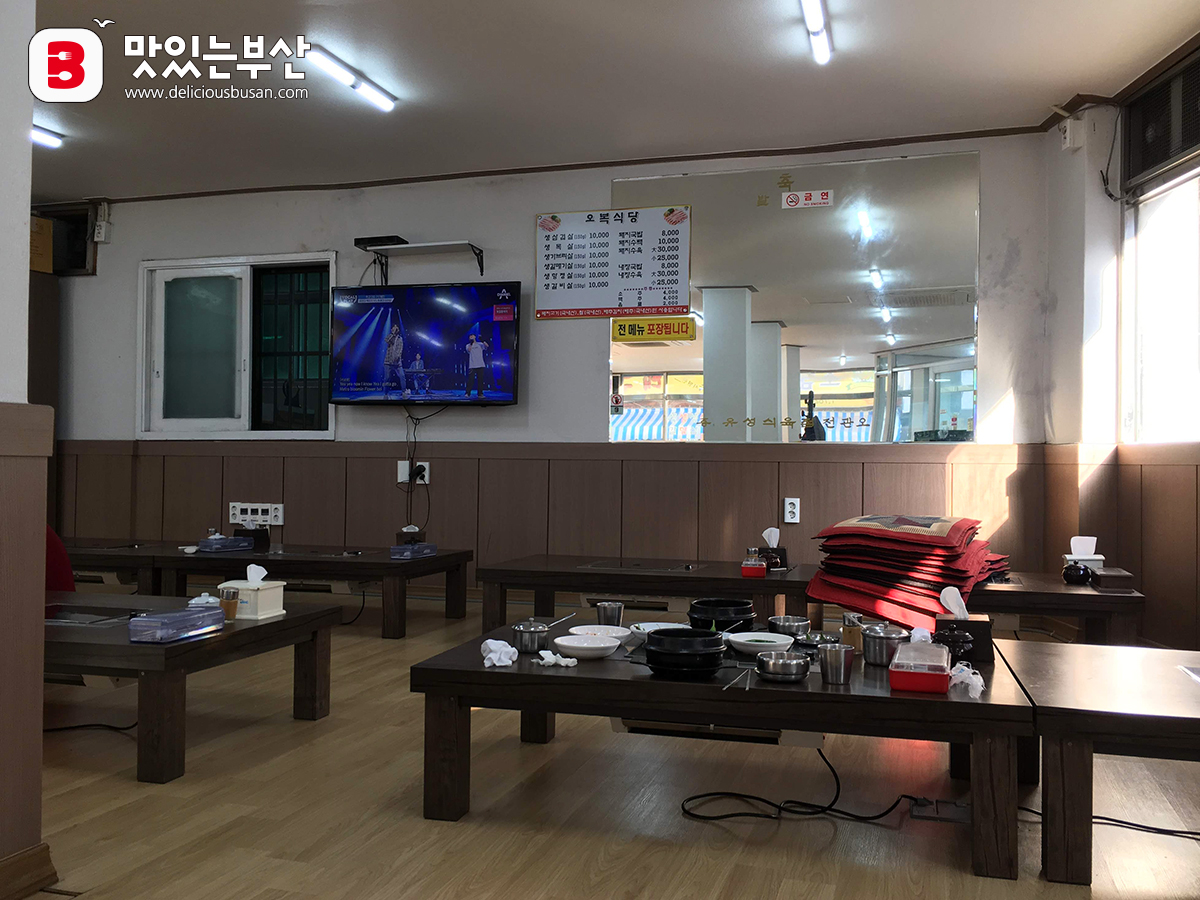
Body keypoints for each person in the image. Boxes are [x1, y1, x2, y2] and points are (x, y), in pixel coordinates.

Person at [383, 323, 409, 399]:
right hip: (388, 362)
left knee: (402, 376)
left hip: (397, 363)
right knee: (387, 378)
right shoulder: (390, 336)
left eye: (396, 327)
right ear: (391, 329)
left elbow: (400, 349)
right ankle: (386, 394)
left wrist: (397, 358)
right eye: (394, 328)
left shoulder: (400, 339)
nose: (395, 329)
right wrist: (392, 334)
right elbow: (386, 340)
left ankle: (404, 392)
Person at [464, 333, 489, 398]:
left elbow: (487, 346)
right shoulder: (468, 345)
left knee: (480, 380)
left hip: (480, 364)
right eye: (470, 336)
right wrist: (471, 343)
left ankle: (480, 394)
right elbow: (469, 350)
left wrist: (482, 340)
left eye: (472, 336)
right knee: (471, 380)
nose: (471, 337)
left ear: (475, 336)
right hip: (472, 365)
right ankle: (467, 393)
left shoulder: (480, 344)